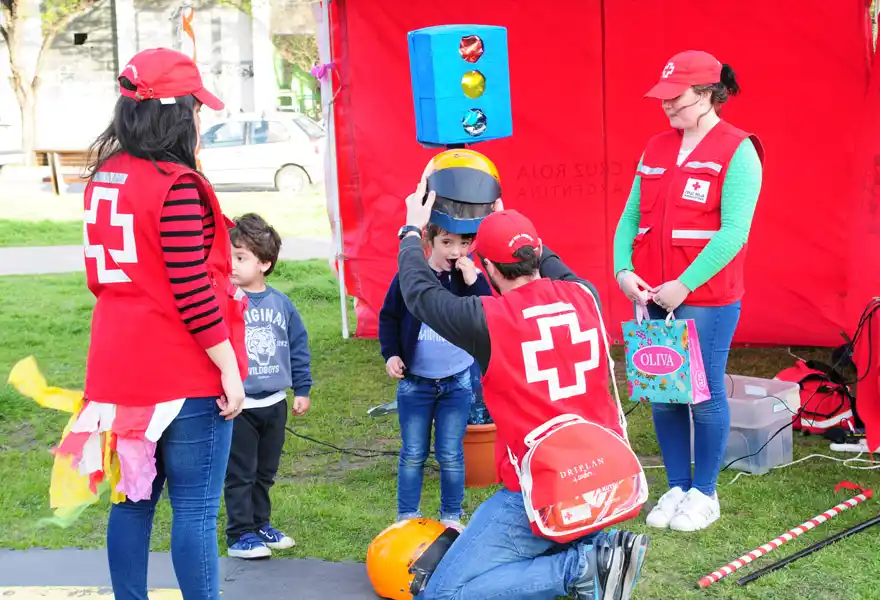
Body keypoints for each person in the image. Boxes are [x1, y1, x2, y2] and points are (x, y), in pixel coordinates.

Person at [396, 180, 649, 600]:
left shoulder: (488, 319)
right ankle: (592, 557)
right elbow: (552, 263)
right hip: (605, 479)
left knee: (440, 594)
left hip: (543, 490)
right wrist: (508, 224)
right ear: (535, 254)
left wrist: (411, 231)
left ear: (490, 270)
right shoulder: (584, 294)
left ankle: (581, 568)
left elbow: (420, 295)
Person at [76, 48, 248, 599]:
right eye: (197, 107)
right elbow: (193, 291)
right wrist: (230, 370)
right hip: (180, 368)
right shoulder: (174, 185)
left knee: (132, 502)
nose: (201, 118)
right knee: (194, 510)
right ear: (178, 114)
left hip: (118, 369)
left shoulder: (104, 176)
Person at [613, 50, 764, 532]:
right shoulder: (655, 146)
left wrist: (684, 284)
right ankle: (677, 486)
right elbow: (631, 216)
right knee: (664, 392)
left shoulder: (739, 149)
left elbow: (734, 231)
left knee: (701, 393)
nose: (666, 107)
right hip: (653, 294)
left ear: (706, 95)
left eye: (675, 99)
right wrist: (622, 269)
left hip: (704, 296)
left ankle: (705, 494)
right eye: (663, 98)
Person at [379, 223, 492, 529]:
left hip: (456, 382)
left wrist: (475, 283)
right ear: (429, 241)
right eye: (447, 242)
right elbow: (388, 317)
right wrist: (391, 353)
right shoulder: (411, 277)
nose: (455, 252)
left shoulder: (469, 280)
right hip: (416, 381)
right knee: (414, 451)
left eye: (464, 244)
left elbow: (490, 316)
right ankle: (406, 516)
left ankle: (452, 517)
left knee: (451, 452)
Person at [224, 213, 313, 558]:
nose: (232, 264)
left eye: (241, 257)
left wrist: (302, 389)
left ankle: (261, 524)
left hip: (274, 403)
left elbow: (298, 346)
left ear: (264, 263)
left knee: (265, 473)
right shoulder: (224, 300)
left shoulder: (281, 304)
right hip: (240, 406)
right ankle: (239, 534)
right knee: (240, 474)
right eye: (229, 255)